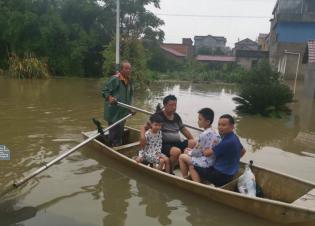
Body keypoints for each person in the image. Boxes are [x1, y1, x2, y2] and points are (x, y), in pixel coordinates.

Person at [140, 95, 196, 173]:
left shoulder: (176, 117)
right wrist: (143, 138)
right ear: (165, 105)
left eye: (175, 105)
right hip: (163, 144)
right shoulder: (158, 116)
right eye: (171, 105)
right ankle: (170, 171)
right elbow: (144, 127)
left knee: (193, 142)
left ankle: (185, 164)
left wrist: (192, 140)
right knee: (176, 151)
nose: (174, 107)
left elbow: (184, 130)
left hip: (176, 142)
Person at [189, 114, 246, 186]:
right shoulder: (234, 137)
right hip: (231, 173)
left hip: (220, 175)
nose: (220, 127)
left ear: (232, 127)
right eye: (219, 125)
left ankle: (197, 186)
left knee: (192, 165)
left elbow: (207, 153)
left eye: (224, 125)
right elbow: (243, 151)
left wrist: (202, 145)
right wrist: (232, 163)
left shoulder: (226, 142)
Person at [179, 108, 220, 180]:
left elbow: (196, 153)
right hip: (213, 160)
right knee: (189, 153)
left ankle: (185, 179)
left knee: (182, 156)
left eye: (200, 119)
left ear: (208, 121)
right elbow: (201, 150)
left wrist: (188, 152)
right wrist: (191, 151)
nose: (198, 121)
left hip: (206, 162)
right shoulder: (216, 132)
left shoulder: (204, 134)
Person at [102, 60, 133, 147]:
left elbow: (130, 96)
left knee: (120, 131)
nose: (128, 70)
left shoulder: (129, 81)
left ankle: (118, 145)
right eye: (126, 68)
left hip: (123, 112)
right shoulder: (115, 79)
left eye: (129, 69)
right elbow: (105, 91)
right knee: (114, 132)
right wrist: (110, 98)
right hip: (114, 112)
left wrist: (130, 108)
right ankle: (113, 146)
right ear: (121, 70)